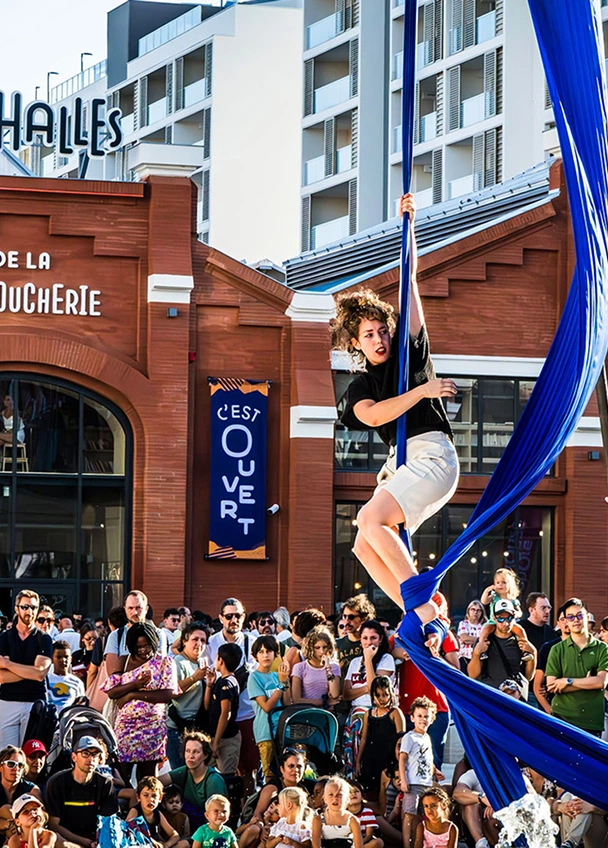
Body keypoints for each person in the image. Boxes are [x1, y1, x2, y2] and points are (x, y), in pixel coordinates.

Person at [332, 196, 458, 612]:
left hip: (433, 456)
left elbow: (411, 282)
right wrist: (423, 392)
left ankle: (422, 603)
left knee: (371, 520)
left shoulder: (410, 355)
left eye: (383, 330)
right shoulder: (361, 385)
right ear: (356, 343)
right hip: (402, 462)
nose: (380, 339)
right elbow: (372, 415)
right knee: (364, 545)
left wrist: (409, 226)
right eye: (369, 335)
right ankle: (418, 612)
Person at [102, 621, 178, 780]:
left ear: (154, 642)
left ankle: (147, 804)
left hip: (152, 727)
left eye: (147, 646)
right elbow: (112, 692)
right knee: (121, 773)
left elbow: (167, 694)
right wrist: (135, 684)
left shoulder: (164, 662)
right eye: (138, 647)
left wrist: (131, 695)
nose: (143, 651)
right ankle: (123, 803)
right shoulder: (124, 661)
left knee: (148, 776)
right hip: (126, 728)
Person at [391, 593, 459, 769]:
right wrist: (399, 653)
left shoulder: (444, 633)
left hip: (436, 707)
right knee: (406, 761)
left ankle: (431, 797)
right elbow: (388, 653)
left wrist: (432, 657)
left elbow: (456, 669)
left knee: (433, 762)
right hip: (407, 707)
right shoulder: (402, 633)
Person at [206, 599, 257, 794]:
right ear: (221, 618)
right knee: (215, 770)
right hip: (217, 715)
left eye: (238, 616)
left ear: (244, 617)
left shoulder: (252, 642)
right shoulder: (211, 642)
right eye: (229, 616)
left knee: (248, 768)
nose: (233, 620)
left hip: (245, 712)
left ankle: (246, 807)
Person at [545, 597, 608, 735]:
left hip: (591, 722)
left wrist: (567, 681)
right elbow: (551, 686)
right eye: (571, 617)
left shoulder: (602, 648)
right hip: (561, 718)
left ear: (587, 617)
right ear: (566, 621)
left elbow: (600, 682)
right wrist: (587, 682)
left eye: (580, 615)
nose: (576, 620)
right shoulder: (557, 649)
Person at [0, 590, 53, 748]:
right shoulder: (4, 637)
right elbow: (2, 678)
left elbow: (39, 674)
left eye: (33, 607)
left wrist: (8, 665)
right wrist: (30, 670)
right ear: (16, 609)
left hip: (34, 703)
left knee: (31, 757)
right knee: (6, 756)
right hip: (7, 701)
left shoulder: (43, 639)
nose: (29, 611)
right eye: (25, 607)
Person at [343, 621, 395, 778]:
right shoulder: (354, 663)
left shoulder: (387, 659)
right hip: (355, 713)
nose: (369, 642)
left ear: (380, 639)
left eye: (373, 638)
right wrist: (366, 688)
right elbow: (346, 694)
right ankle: (351, 775)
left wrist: (368, 661)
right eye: (365, 638)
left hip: (376, 713)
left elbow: (376, 690)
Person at [45, 735, 118, 848]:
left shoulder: (105, 784)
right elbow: (54, 825)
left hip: (95, 839)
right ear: (74, 757)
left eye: (95, 754)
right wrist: (84, 843)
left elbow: (108, 822)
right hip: (65, 839)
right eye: (85, 753)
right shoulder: (57, 782)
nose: (90, 758)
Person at [467, 599, 536, 699]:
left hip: (514, 700)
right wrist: (476, 654)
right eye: (500, 619)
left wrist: (533, 654)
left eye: (509, 619)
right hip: (491, 697)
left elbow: (528, 676)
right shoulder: (485, 641)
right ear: (494, 619)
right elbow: (472, 675)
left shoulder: (520, 641)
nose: (505, 623)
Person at [160, 732, 228, 833]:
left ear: (205, 755)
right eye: (188, 751)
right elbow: (155, 782)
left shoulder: (213, 780)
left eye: (196, 752)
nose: (190, 756)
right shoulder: (184, 771)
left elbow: (217, 818)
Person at [399, 697, 444, 848]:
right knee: (409, 815)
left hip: (426, 783)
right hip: (413, 783)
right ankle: (407, 844)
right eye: (419, 716)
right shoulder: (409, 737)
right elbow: (402, 758)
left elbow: (427, 759)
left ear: (432, 719)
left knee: (421, 816)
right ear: (412, 718)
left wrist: (435, 770)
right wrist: (404, 780)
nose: (423, 719)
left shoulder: (427, 738)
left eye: (426, 716)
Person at [247, 636, 291, 780]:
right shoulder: (254, 678)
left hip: (281, 731)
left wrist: (285, 681)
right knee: (270, 774)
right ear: (255, 656)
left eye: (269, 651)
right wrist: (281, 685)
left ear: (275, 654)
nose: (265, 655)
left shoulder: (276, 676)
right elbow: (266, 706)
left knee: (285, 773)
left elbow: (286, 703)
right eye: (261, 652)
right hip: (265, 732)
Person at [167, 622, 209, 768]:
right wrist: (194, 678)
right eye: (195, 639)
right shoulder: (177, 662)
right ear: (184, 641)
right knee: (180, 773)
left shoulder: (201, 662)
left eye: (203, 640)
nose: (199, 644)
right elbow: (171, 693)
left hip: (195, 727)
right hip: (177, 729)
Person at [357, 677, 404, 801]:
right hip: (370, 759)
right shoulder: (369, 713)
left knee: (385, 794)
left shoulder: (395, 713)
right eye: (378, 695)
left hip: (388, 760)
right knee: (369, 792)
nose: (382, 699)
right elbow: (364, 739)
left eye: (385, 695)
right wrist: (358, 761)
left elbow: (401, 740)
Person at [104, 590, 168, 677]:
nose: (134, 612)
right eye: (130, 608)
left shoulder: (158, 634)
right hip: (124, 689)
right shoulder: (115, 635)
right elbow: (112, 675)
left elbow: (159, 668)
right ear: (125, 609)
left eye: (138, 608)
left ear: (146, 609)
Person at [204, 643, 242, 775]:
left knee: (227, 777)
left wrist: (216, 742)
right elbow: (207, 706)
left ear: (220, 660)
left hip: (226, 739)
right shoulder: (221, 681)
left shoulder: (228, 683)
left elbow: (226, 713)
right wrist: (209, 685)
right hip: (215, 736)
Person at [478, 569, 531, 661]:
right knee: (485, 630)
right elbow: (484, 601)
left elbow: (520, 612)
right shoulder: (494, 597)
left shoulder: (512, 600)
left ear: (510, 585)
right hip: (493, 621)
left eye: (503, 582)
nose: (500, 585)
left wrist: (516, 614)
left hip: (509, 623)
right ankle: (482, 650)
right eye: (497, 582)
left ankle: (525, 651)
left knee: (520, 630)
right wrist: (487, 591)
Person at [127, 776, 189, 848]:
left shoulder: (157, 813)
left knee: (185, 843)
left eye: (154, 796)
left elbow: (175, 835)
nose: (150, 799)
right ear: (138, 797)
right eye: (146, 795)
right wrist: (151, 841)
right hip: (142, 844)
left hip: (158, 845)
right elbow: (128, 827)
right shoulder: (135, 811)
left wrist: (166, 845)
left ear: (160, 798)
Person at [250, 749, 309, 821]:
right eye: (291, 766)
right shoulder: (272, 789)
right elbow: (257, 814)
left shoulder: (302, 791)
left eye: (299, 766)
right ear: (282, 769)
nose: (296, 770)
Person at [533, 603, 569, 715]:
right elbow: (537, 686)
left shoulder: (588, 647)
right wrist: (550, 711)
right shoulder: (549, 648)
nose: (566, 622)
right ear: (558, 623)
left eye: (569, 618)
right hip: (556, 708)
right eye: (563, 619)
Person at [0, 746, 42, 843]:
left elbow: (40, 817)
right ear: (1, 767)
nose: (16, 769)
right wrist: (8, 825)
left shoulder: (32, 790)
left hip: (26, 835)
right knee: (6, 809)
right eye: (11, 764)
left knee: (8, 810)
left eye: (20, 765)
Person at [291, 626, 341, 707]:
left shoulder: (334, 667)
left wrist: (328, 668)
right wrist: (325, 702)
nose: (322, 651)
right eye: (317, 648)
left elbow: (335, 694)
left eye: (324, 647)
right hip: (306, 712)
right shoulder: (299, 667)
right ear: (311, 648)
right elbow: (296, 699)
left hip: (326, 713)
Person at [452, 768, 497, 848]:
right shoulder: (474, 773)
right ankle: (481, 843)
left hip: (502, 814)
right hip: (477, 819)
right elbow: (457, 793)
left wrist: (496, 805)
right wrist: (482, 798)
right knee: (470, 805)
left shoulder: (509, 772)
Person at [312, 776, 362, 848]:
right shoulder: (318, 820)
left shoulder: (352, 820)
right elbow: (316, 845)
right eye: (331, 795)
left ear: (347, 798)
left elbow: (359, 846)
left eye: (339, 795)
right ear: (324, 798)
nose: (335, 799)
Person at [45, 641, 85, 711]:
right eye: (59, 657)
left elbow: (81, 705)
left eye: (66, 657)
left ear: (71, 659)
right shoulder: (45, 680)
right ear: (51, 659)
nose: (63, 660)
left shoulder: (77, 682)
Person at [347, 781, 383, 848]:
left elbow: (369, 835)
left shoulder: (368, 812)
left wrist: (358, 845)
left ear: (362, 796)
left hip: (363, 842)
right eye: (349, 792)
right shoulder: (343, 814)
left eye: (356, 791)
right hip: (347, 843)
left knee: (378, 842)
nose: (353, 794)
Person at [456, 602, 486, 671]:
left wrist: (471, 640)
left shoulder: (484, 626)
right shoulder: (463, 623)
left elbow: (487, 640)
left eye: (478, 610)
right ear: (468, 611)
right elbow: (464, 638)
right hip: (464, 658)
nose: (475, 612)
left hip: (480, 659)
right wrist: (480, 640)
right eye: (473, 609)